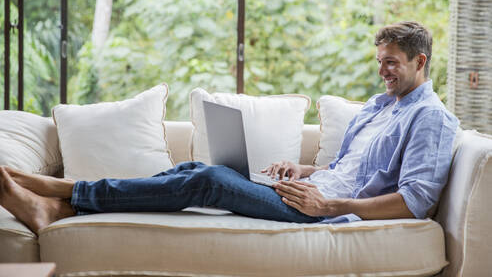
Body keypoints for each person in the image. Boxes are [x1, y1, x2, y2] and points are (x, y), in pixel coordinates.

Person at [0, 21, 459, 235]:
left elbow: (414, 202)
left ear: (421, 62)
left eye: (392, 64)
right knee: (196, 168)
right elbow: (347, 165)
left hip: (321, 211)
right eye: (379, 63)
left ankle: (63, 193)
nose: (383, 73)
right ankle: (63, 205)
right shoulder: (380, 106)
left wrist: (327, 204)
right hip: (311, 193)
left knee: (207, 180)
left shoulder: (431, 118)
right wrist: (303, 171)